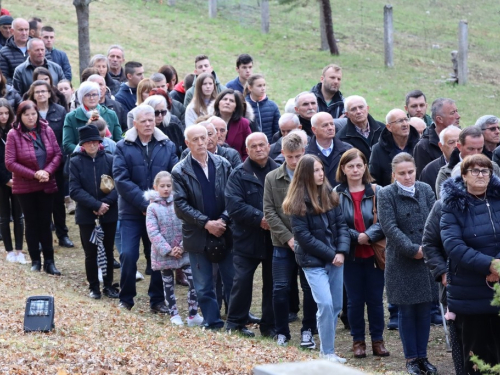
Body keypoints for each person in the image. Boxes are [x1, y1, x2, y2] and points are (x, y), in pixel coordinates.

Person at [283, 154, 349, 363]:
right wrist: (332, 255)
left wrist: (341, 252)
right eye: (316, 171)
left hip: (336, 259)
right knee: (326, 304)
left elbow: (342, 227)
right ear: (305, 175)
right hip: (314, 263)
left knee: (336, 306)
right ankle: (327, 353)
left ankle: (328, 351)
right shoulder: (296, 203)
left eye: (321, 169)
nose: (321, 174)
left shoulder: (330, 194)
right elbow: (305, 239)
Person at [113, 104, 178, 311]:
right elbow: (121, 180)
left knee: (158, 257)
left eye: (151, 120)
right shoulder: (122, 146)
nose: (149, 123)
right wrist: (145, 203)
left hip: (161, 213)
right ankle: (126, 298)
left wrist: (158, 202)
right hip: (132, 212)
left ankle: (157, 300)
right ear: (135, 124)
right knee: (128, 255)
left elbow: (174, 177)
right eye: (144, 121)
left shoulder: (167, 145)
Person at [377, 152, 437, 375]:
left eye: (410, 172)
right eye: (402, 174)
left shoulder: (426, 189)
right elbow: (389, 227)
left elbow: (434, 220)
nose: (407, 177)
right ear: (394, 174)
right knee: (407, 310)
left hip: (426, 258)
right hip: (401, 260)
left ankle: (423, 357)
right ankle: (411, 359)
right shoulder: (386, 194)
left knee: (424, 310)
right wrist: (413, 250)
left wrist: (427, 249)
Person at [440, 154, 500, 375]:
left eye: (485, 170)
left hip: (499, 286)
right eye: (474, 171)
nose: (481, 175)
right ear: (463, 175)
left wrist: (499, 267)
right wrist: (488, 265)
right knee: (477, 357)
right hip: (471, 292)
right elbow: (453, 245)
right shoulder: (452, 206)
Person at [172, 124, 234, 330]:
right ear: (187, 143)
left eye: (204, 137)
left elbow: (233, 196)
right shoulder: (179, 170)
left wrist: (223, 220)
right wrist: (206, 223)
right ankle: (212, 322)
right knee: (203, 284)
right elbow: (180, 205)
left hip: (225, 230)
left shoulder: (223, 163)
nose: (201, 142)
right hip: (197, 234)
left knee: (232, 280)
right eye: (195, 139)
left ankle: (235, 321)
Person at [263, 132, 318, 347]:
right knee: (280, 288)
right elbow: (269, 211)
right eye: (290, 157)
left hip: (309, 244)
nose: (294, 161)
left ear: (304, 152)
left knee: (309, 288)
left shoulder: (313, 175)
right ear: (282, 154)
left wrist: (304, 239)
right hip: (281, 245)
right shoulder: (272, 178)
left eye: (297, 156)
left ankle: (307, 330)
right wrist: (288, 238)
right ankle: (282, 332)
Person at [333, 148, 389, 358]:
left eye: (359, 165)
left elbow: (386, 221)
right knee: (354, 301)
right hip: (350, 255)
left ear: (365, 167)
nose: (355, 170)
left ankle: (377, 340)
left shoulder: (378, 191)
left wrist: (368, 235)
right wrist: (357, 237)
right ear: (343, 169)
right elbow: (335, 224)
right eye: (350, 166)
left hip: (375, 254)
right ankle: (358, 341)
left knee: (375, 299)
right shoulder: (335, 194)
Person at [224, 132, 278, 338]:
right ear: (247, 150)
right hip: (246, 238)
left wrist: (275, 222)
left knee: (273, 284)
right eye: (253, 146)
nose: (258, 149)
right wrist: (260, 219)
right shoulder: (238, 173)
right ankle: (235, 322)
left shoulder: (281, 171)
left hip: (275, 239)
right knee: (242, 281)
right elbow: (234, 206)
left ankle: (269, 326)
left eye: (261, 145)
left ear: (268, 146)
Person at [5, 100, 62, 275]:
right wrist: (34, 174)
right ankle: (35, 260)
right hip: (25, 185)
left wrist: (47, 171)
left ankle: (49, 261)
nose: (31, 118)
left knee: (46, 222)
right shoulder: (13, 134)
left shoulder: (47, 130)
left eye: (33, 114)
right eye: (26, 114)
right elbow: (10, 162)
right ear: (20, 117)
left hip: (46, 182)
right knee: (31, 223)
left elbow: (58, 154)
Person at [145, 171, 203, 327]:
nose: (166, 189)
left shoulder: (180, 203)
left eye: (168, 185)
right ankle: (174, 314)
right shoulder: (152, 208)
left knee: (193, 281)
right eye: (162, 186)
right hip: (164, 253)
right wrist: (168, 250)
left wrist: (183, 246)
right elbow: (153, 231)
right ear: (155, 187)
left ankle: (193, 313)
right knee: (168, 284)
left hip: (183, 250)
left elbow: (187, 225)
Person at [69, 124, 119, 299]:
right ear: (82, 144)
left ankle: (108, 284)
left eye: (95, 141)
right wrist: (95, 205)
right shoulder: (75, 162)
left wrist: (105, 203)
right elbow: (74, 190)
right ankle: (94, 286)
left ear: (100, 142)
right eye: (88, 142)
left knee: (108, 249)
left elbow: (118, 186)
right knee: (90, 252)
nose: (92, 145)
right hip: (86, 215)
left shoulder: (111, 159)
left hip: (109, 212)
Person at [26, 79, 73, 248]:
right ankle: (40, 236)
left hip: (56, 164)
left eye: (43, 91)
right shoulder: (28, 111)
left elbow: (64, 138)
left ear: (49, 93)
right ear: (33, 94)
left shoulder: (60, 111)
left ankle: (62, 234)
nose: (40, 94)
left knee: (58, 201)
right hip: (35, 167)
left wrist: (55, 160)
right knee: (38, 203)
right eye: (37, 91)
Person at [63, 81, 122, 155]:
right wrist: (88, 151)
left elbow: (118, 140)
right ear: (81, 97)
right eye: (87, 95)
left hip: (108, 157)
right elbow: (67, 144)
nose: (91, 98)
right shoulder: (71, 117)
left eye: (94, 94)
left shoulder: (110, 114)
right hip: (81, 159)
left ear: (99, 96)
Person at [369, 108, 420, 187]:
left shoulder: (419, 145)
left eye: (406, 120)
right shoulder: (378, 150)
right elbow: (374, 181)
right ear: (389, 127)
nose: (405, 124)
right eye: (400, 121)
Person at [0, 99, 24, 263]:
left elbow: (20, 154)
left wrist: (15, 176)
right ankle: (8, 250)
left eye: (6, 113)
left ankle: (19, 250)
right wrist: (5, 179)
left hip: (16, 177)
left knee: (19, 215)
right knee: (3, 216)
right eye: (0, 113)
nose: (3, 116)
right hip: (2, 181)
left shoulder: (15, 130)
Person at [413, 98, 460, 178]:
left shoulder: (464, 137)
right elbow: (423, 179)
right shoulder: (423, 146)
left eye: (457, 111)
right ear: (439, 119)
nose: (458, 116)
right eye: (452, 113)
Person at [305, 112, 351, 187]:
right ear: (314, 130)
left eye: (332, 124)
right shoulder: (306, 154)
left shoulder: (347, 150)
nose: (330, 128)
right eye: (325, 125)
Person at [337, 95, 383, 162]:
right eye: (353, 109)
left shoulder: (383, 130)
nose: (358, 111)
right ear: (347, 114)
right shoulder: (341, 138)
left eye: (361, 107)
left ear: (367, 108)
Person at [420, 125, 460, 197]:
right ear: (441, 146)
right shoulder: (429, 170)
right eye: (451, 142)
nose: (456, 146)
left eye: (459, 142)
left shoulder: (473, 164)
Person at [212, 89, 252, 160]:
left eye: (231, 101)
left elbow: (249, 149)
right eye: (225, 99)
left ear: (236, 107)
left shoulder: (243, 124)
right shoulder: (209, 122)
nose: (227, 102)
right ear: (218, 103)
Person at [244, 74, 280, 143]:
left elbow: (277, 131)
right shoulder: (244, 106)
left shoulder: (273, 106)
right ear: (250, 88)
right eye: (259, 86)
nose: (263, 88)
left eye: (264, 85)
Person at [0, 18, 30, 84]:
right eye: (21, 30)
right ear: (12, 31)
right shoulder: (4, 53)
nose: (24, 33)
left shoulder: (39, 47)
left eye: (26, 29)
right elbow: (4, 77)